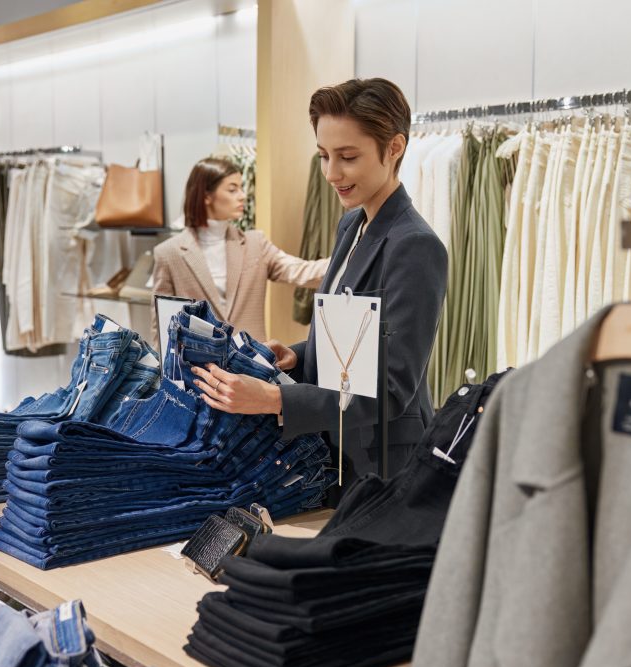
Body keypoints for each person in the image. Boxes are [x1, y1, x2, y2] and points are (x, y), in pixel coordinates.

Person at [190, 78, 449, 490]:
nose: (331, 173)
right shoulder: (352, 224)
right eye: (324, 156)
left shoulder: (415, 246)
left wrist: (275, 399)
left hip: (384, 464)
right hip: (337, 450)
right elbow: (352, 341)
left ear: (395, 147)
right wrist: (298, 355)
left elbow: (392, 388)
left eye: (347, 157)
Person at [151, 157, 329, 345]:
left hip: (251, 366)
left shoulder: (255, 243)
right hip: (197, 369)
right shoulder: (169, 253)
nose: (242, 195)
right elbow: (162, 326)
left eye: (241, 187)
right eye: (232, 189)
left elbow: (300, 271)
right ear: (206, 195)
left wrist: (349, 259)